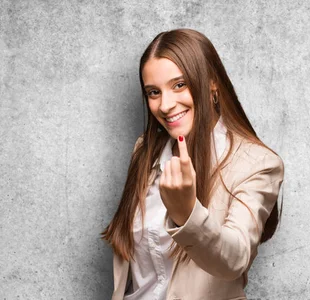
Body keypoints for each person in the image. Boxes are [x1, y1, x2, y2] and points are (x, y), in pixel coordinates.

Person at [102, 28, 284, 300]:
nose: (165, 105)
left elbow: (234, 259)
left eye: (179, 85)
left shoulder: (258, 164)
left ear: (212, 83)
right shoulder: (145, 151)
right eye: (153, 92)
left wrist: (188, 214)